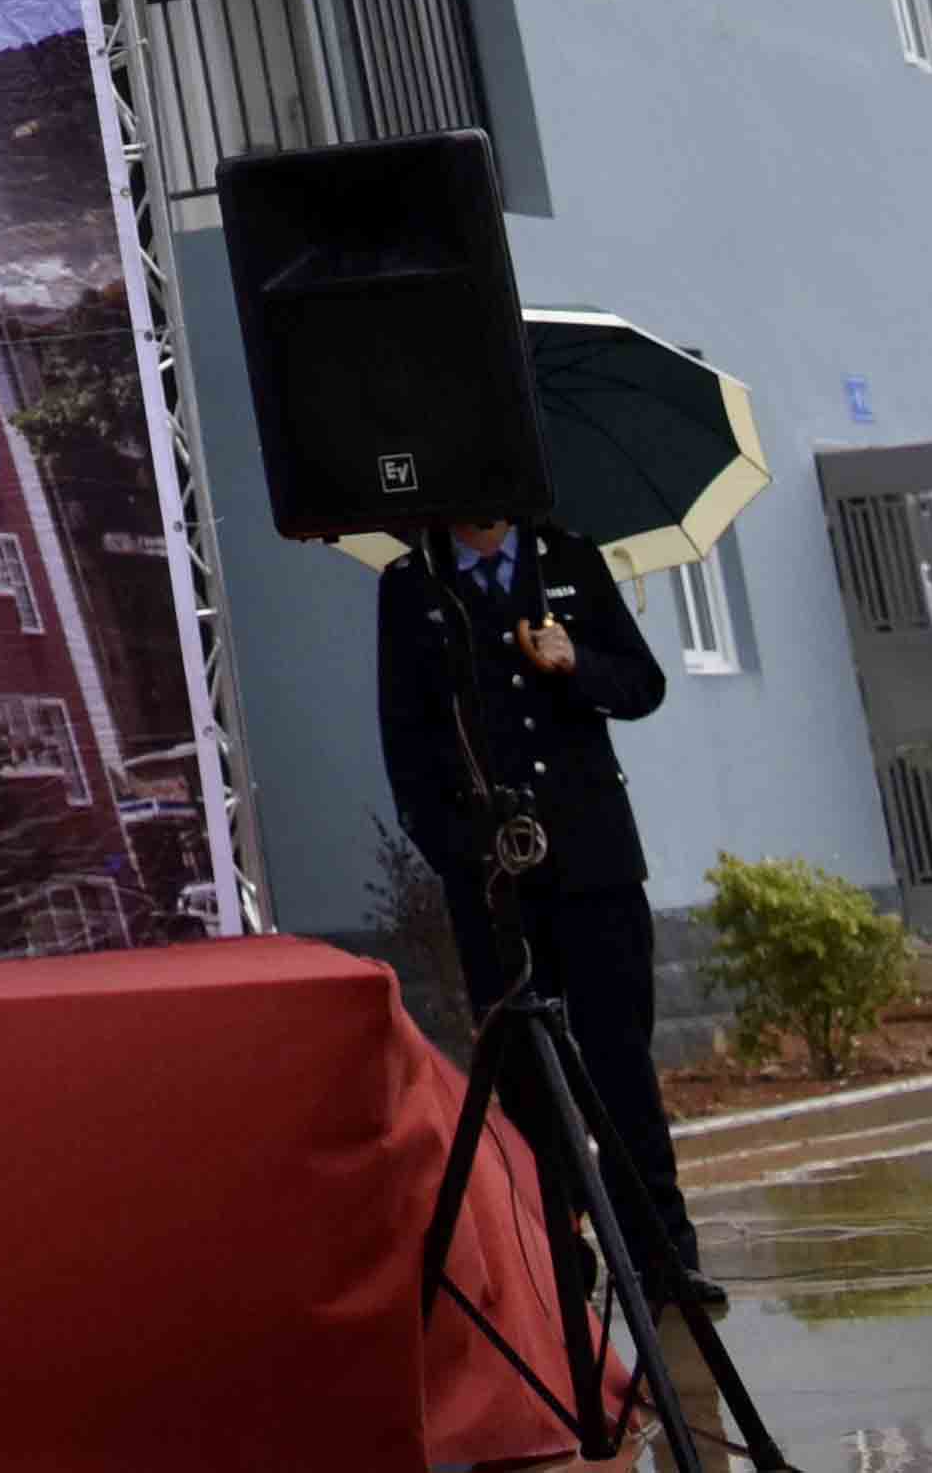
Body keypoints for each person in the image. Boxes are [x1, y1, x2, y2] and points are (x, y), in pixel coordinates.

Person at [375, 510, 699, 1297]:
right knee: (525, 1078)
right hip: (496, 882)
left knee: (619, 1063)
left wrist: (575, 660)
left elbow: (642, 683)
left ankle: (662, 1256)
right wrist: (464, 859)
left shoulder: (570, 557)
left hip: (595, 864)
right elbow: (406, 746)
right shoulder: (413, 584)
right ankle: (555, 1259)